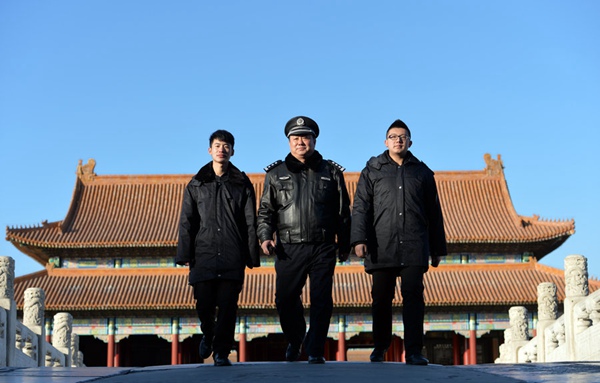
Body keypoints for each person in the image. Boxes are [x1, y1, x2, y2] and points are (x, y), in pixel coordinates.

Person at [351, 119, 447, 365]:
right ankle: (380, 347)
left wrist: (437, 249)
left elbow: (434, 212)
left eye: (402, 136)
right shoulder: (372, 170)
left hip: (414, 245)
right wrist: (359, 239)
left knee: (413, 297)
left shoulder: (422, 172)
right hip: (381, 244)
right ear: (386, 142)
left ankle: (414, 351)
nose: (398, 140)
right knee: (381, 299)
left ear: (410, 141)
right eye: (393, 136)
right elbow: (361, 207)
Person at [257, 116, 351, 364]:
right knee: (285, 299)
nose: (301, 142)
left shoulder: (330, 172)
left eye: (306, 137)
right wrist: (265, 236)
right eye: (296, 138)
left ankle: (315, 348)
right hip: (289, 247)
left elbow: (343, 211)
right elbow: (266, 210)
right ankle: (296, 338)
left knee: (321, 299)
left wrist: (344, 243)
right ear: (289, 141)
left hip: (323, 245)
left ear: (314, 140)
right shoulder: (276, 174)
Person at [176, 130, 260, 366]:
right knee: (203, 304)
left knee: (228, 307)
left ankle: (221, 352)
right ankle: (208, 334)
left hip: (232, 253)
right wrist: (184, 254)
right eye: (217, 145)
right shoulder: (196, 184)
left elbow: (249, 221)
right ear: (209, 150)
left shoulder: (242, 183)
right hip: (203, 253)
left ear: (232, 151)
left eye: (226, 146)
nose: (221, 149)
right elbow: (187, 221)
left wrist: (251, 256)